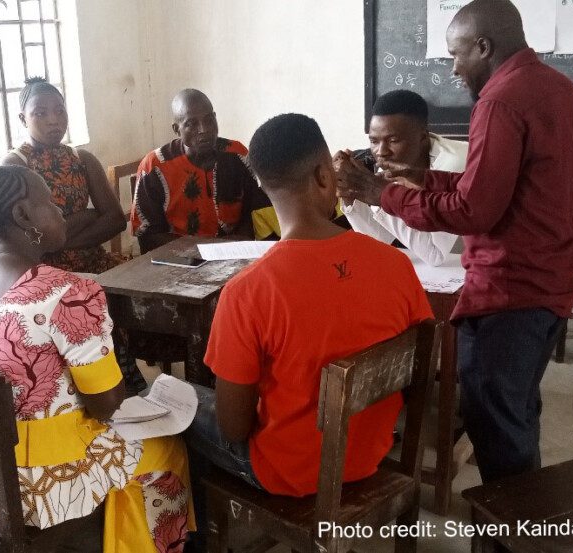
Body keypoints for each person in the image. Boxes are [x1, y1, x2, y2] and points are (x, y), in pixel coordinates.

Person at [336, 0, 573, 484]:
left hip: (510, 292)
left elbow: (475, 211)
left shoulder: (499, 101)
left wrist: (379, 193)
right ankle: (521, 518)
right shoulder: (562, 90)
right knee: (516, 413)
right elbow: (493, 190)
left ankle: (509, 530)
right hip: (551, 283)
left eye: (456, 55)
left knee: (497, 430)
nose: (453, 69)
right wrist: (420, 178)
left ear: (484, 47)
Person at [0, 166, 192, 552]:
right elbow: (105, 404)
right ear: (23, 216)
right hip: (38, 482)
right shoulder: (66, 292)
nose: (59, 210)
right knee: (167, 451)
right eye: (50, 202)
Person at [185, 113, 433, 501]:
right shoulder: (395, 265)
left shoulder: (246, 292)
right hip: (371, 455)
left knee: (175, 400)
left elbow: (235, 428)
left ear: (262, 185)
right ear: (324, 176)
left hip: (288, 473)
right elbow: (420, 368)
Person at [2, 77, 127, 273]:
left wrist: (58, 245)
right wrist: (88, 216)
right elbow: (20, 239)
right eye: (40, 113)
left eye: (60, 111)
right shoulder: (14, 166)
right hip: (43, 273)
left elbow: (116, 221)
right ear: (22, 118)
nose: (53, 120)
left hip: (93, 263)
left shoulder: (82, 159)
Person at [130, 89, 276, 253]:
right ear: (176, 129)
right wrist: (205, 250)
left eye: (209, 120)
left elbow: (255, 211)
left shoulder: (237, 155)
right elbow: (147, 236)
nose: (203, 129)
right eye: (191, 123)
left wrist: (232, 247)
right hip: (178, 259)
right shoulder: (155, 167)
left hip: (233, 253)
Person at [337, 89, 468, 266]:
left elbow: (434, 254)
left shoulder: (454, 163)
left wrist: (381, 195)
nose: (381, 152)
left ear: (422, 137)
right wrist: (351, 195)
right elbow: (378, 241)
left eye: (393, 140)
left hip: (475, 270)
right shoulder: (392, 161)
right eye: (374, 141)